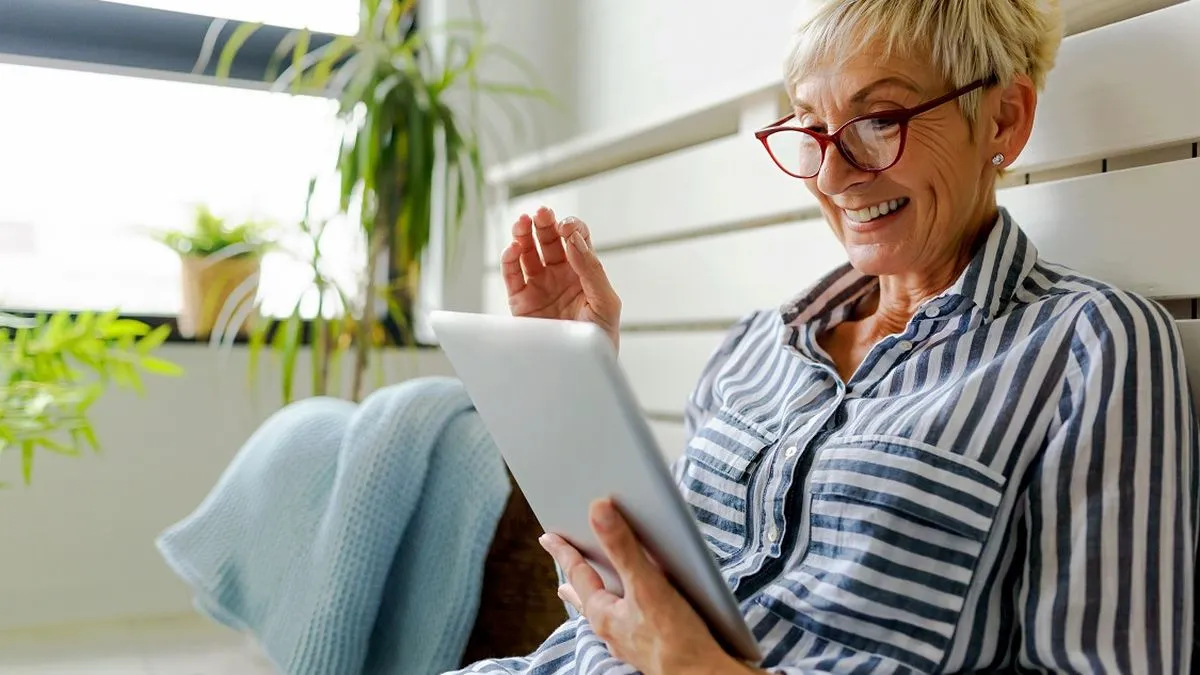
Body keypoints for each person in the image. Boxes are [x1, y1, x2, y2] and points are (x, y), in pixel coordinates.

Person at [451, 0, 1198, 672]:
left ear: (1002, 120)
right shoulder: (756, 346)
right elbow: (620, 594)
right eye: (812, 126)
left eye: (880, 120)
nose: (835, 175)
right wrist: (579, 392)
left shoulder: (1090, 347)